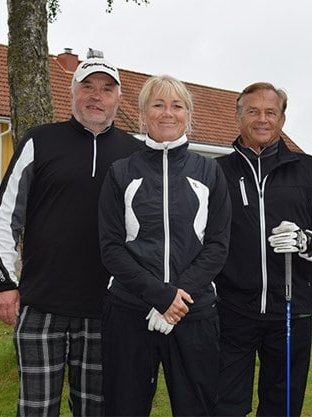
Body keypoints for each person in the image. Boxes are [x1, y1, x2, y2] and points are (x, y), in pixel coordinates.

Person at [0, 55, 144, 416]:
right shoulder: (39, 141)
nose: (96, 96)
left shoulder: (135, 153)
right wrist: (3, 283)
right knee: (37, 407)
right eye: (87, 86)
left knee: (96, 408)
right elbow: (6, 215)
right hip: (42, 303)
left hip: (109, 308)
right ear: (71, 92)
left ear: (118, 99)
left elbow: (149, 231)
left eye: (106, 89)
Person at [97, 74, 232, 417]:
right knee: (124, 408)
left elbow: (217, 245)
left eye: (176, 105)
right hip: (130, 311)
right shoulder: (121, 172)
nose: (167, 113)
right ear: (143, 114)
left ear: (188, 114)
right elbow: (111, 247)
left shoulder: (210, 172)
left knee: (196, 409)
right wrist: (160, 296)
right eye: (158, 105)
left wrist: (179, 296)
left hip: (194, 311)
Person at [213, 82, 312, 416]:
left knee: (282, 407)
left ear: (282, 119)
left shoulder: (307, 167)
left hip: (291, 310)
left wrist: (307, 242)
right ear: (238, 117)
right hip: (230, 311)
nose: (262, 119)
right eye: (253, 111)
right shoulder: (217, 171)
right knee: (225, 404)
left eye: (270, 112)